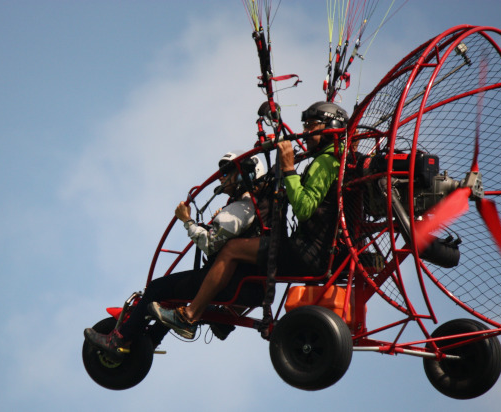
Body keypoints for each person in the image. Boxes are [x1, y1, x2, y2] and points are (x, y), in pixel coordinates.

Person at [150, 101, 348, 335]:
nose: (305, 133)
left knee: (233, 249)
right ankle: (227, 315)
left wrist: (288, 169)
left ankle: (190, 315)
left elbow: (304, 208)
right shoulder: (336, 159)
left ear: (330, 125)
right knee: (247, 252)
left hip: (309, 252)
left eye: (310, 126)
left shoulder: (326, 162)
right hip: (318, 250)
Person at [83, 151, 267, 358]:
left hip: (231, 283)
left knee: (156, 288)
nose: (221, 177)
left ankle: (118, 340)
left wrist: (187, 221)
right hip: (239, 282)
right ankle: (149, 341)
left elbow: (210, 244)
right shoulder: (250, 206)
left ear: (246, 174)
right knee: (176, 293)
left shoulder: (243, 207)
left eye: (227, 171)